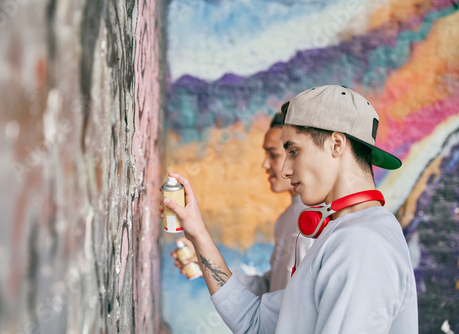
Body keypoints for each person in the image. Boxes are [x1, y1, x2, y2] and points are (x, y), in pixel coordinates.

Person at [161, 85, 418, 333]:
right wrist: (198, 235)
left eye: (293, 151)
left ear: (336, 144)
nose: (285, 169)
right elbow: (256, 322)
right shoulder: (344, 232)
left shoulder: (361, 245)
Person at [171, 114, 314, 296]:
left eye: (273, 155)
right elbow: (269, 289)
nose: (264, 164)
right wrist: (206, 264)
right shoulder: (287, 218)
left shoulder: (316, 222)